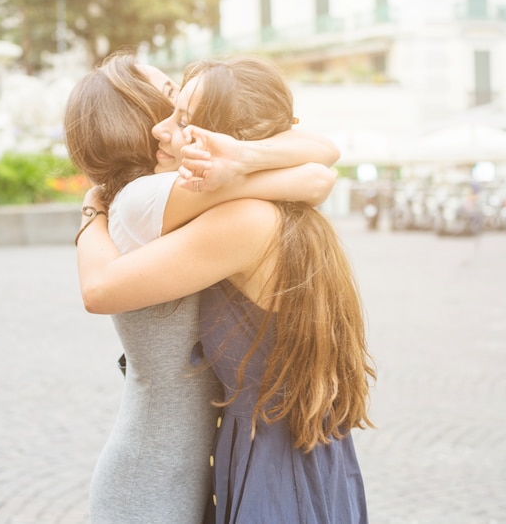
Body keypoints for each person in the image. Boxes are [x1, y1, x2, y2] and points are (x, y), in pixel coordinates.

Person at [74, 56, 375, 524]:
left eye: (180, 107)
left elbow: (319, 169)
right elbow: (317, 170)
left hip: (263, 459)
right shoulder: (182, 200)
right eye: (169, 98)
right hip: (181, 471)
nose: (164, 126)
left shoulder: (246, 214)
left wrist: (241, 160)